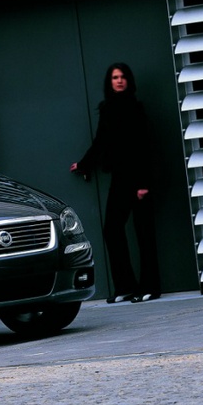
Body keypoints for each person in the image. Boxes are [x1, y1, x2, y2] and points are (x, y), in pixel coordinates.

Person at [70, 63, 161, 304]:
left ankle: (151, 287)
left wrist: (144, 183)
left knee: (144, 233)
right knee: (111, 230)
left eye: (122, 77)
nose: (119, 80)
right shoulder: (108, 109)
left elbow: (146, 146)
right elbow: (100, 142)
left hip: (139, 179)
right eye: (114, 77)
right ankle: (125, 286)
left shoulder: (136, 109)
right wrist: (83, 164)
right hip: (120, 179)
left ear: (129, 81)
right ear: (109, 82)